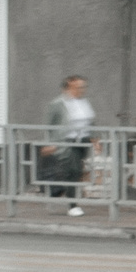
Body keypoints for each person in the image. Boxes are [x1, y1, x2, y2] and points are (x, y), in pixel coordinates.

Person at [43, 75, 95, 215]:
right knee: (73, 171)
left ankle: (55, 193)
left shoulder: (85, 102)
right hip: (67, 142)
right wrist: (50, 143)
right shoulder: (57, 103)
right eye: (78, 87)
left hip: (83, 141)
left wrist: (95, 139)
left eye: (83, 87)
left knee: (75, 172)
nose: (82, 89)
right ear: (68, 87)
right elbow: (49, 125)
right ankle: (73, 206)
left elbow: (90, 122)